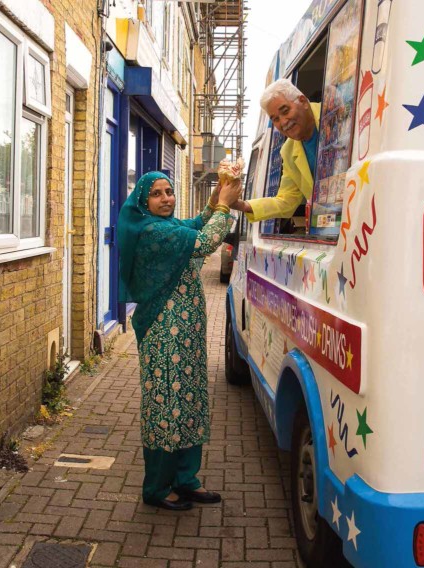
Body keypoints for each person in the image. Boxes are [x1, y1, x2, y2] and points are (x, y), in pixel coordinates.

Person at [117, 171, 242, 511]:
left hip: (186, 334)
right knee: (165, 408)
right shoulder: (152, 231)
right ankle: (157, 488)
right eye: (157, 194)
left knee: (190, 401)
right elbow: (204, 241)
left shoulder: (169, 227)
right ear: (144, 201)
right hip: (163, 333)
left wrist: (216, 198)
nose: (166, 199)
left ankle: (186, 479)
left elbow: (192, 224)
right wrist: (225, 208)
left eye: (169, 191)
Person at [232, 78, 321, 221]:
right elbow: (287, 200)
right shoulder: (288, 150)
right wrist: (241, 205)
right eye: (275, 119)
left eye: (285, 111)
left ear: (303, 102)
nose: (283, 122)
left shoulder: (334, 109)